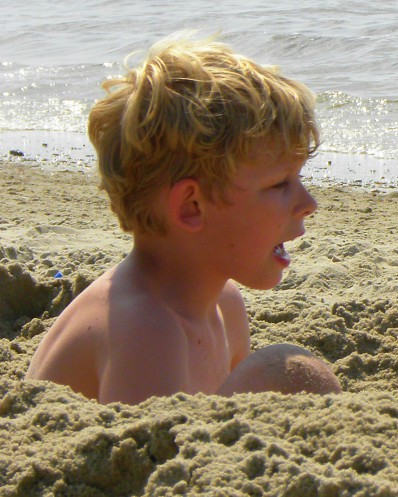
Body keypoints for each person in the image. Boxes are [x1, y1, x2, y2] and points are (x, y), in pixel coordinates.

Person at [25, 32, 341, 404]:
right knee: (290, 373)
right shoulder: (146, 329)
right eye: (279, 184)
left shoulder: (225, 305)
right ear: (191, 207)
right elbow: (143, 459)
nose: (308, 202)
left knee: (295, 375)